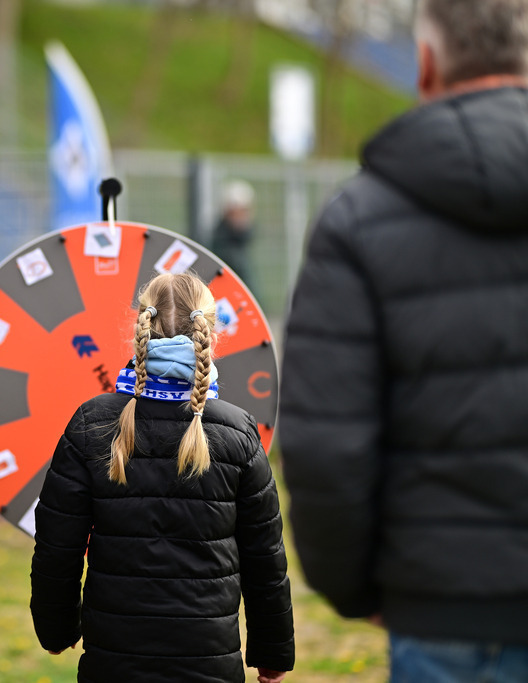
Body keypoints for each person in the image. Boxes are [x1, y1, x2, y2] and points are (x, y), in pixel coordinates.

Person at [277, 0, 528, 679]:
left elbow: (327, 442)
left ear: (424, 64)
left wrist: (354, 585)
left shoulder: (358, 219)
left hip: (444, 606)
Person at [30, 271, 294, 683]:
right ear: (209, 329)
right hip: (210, 661)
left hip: (113, 662)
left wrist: (56, 629)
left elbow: (55, 546)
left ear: (142, 323)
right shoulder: (238, 431)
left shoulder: (91, 422)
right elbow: (265, 558)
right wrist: (273, 651)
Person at [210, 179, 256, 288]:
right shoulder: (223, 247)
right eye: (236, 212)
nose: (241, 217)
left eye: (244, 211)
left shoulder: (241, 243)